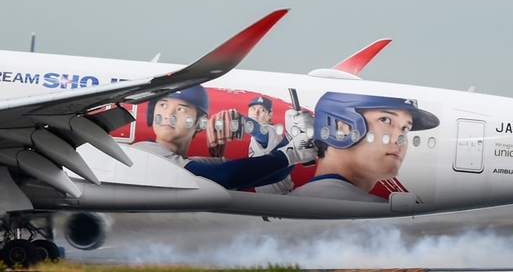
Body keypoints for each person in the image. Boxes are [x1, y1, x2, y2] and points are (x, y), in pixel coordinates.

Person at [135, 86, 315, 190]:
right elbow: (226, 176)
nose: (169, 114)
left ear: (200, 122)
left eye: (181, 108)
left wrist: (292, 141)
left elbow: (269, 176)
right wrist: (291, 153)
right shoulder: (147, 153)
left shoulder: (185, 162)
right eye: (163, 105)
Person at [294, 92, 439, 201]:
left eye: (405, 128)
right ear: (341, 125)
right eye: (386, 120)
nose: (399, 139)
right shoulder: (363, 207)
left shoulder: (298, 196)